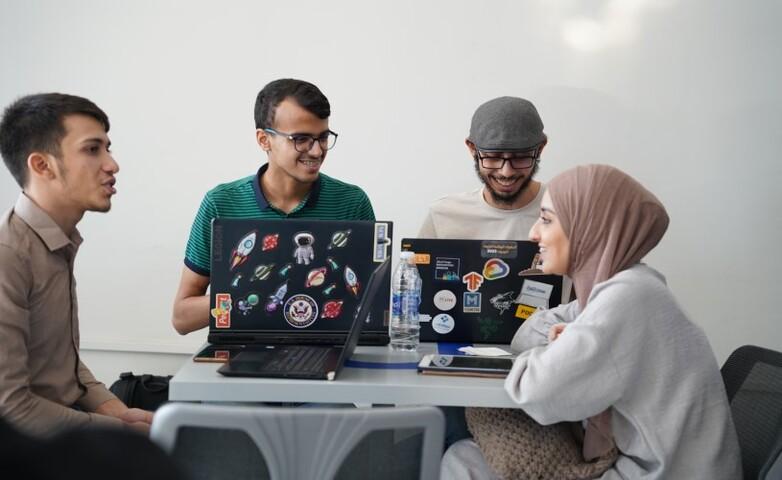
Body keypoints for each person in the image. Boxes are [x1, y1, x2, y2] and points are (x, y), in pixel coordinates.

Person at [444, 165, 742, 479]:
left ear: (589, 227)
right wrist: (563, 342)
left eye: (546, 220)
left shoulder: (628, 297)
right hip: (644, 464)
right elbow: (528, 333)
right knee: (465, 456)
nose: (533, 233)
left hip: (657, 474)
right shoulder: (621, 290)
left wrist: (559, 348)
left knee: (463, 461)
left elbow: (539, 393)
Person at [0, 93, 153, 436]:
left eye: (108, 148)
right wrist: (120, 433)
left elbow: (58, 361)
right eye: (92, 149)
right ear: (42, 165)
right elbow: (10, 407)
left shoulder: (57, 240)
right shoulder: (8, 254)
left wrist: (113, 408)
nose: (112, 164)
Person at [172, 78, 376, 335]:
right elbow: (182, 317)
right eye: (301, 139)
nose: (316, 151)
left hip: (330, 351)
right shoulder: (220, 203)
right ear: (264, 140)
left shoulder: (352, 203)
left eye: (323, 137)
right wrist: (246, 294)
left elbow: (371, 309)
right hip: (242, 358)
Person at [418, 96, 546, 240]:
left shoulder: (567, 211)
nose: (506, 172)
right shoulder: (443, 215)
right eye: (493, 157)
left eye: (520, 157)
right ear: (472, 148)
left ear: (540, 149)